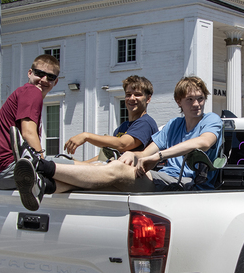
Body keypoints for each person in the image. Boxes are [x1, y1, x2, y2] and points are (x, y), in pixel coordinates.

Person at [13, 76, 224, 211]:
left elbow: (203, 143)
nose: (196, 104)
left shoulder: (211, 120)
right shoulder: (173, 125)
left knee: (115, 170)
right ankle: (45, 185)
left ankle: (41, 165)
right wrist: (133, 155)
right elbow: (144, 153)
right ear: (179, 102)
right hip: (164, 180)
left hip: (185, 186)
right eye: (190, 99)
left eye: (200, 98)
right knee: (100, 174)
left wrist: (158, 156)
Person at [0, 54, 60, 189]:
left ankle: (39, 189)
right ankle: (39, 185)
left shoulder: (24, 93)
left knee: (73, 171)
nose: (44, 79)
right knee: (80, 175)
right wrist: (43, 166)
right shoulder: (32, 91)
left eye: (50, 77)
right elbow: (28, 133)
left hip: (2, 173)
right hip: (14, 169)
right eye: (39, 73)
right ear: (30, 73)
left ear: (55, 82)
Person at [63, 76, 158, 162]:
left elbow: (122, 145)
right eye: (128, 94)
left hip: (135, 174)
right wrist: (81, 164)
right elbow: (107, 155)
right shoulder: (123, 127)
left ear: (148, 99)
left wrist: (86, 136)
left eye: (137, 94)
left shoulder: (145, 123)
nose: (132, 98)